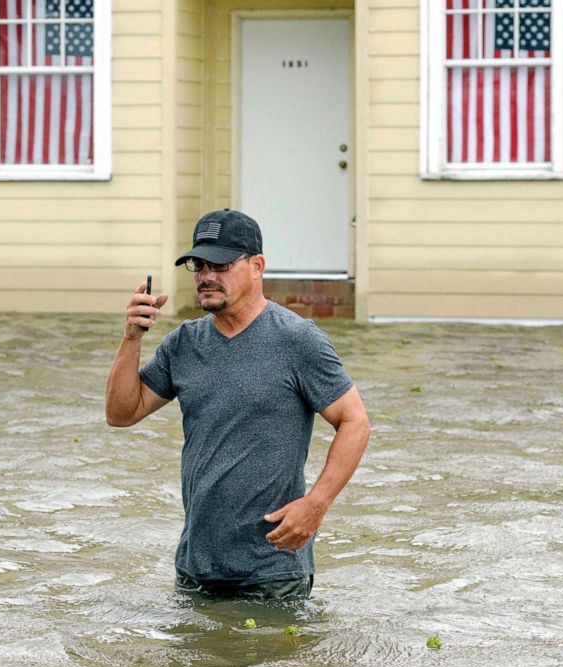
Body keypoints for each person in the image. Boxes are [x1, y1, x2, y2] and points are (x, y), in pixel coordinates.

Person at [105, 208, 370, 601]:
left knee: (272, 665)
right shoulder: (184, 344)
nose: (206, 276)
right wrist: (131, 338)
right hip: (197, 566)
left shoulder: (298, 341)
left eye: (221, 264)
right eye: (198, 264)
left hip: (273, 571)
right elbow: (121, 414)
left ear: (257, 266)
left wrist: (316, 504)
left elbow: (356, 422)